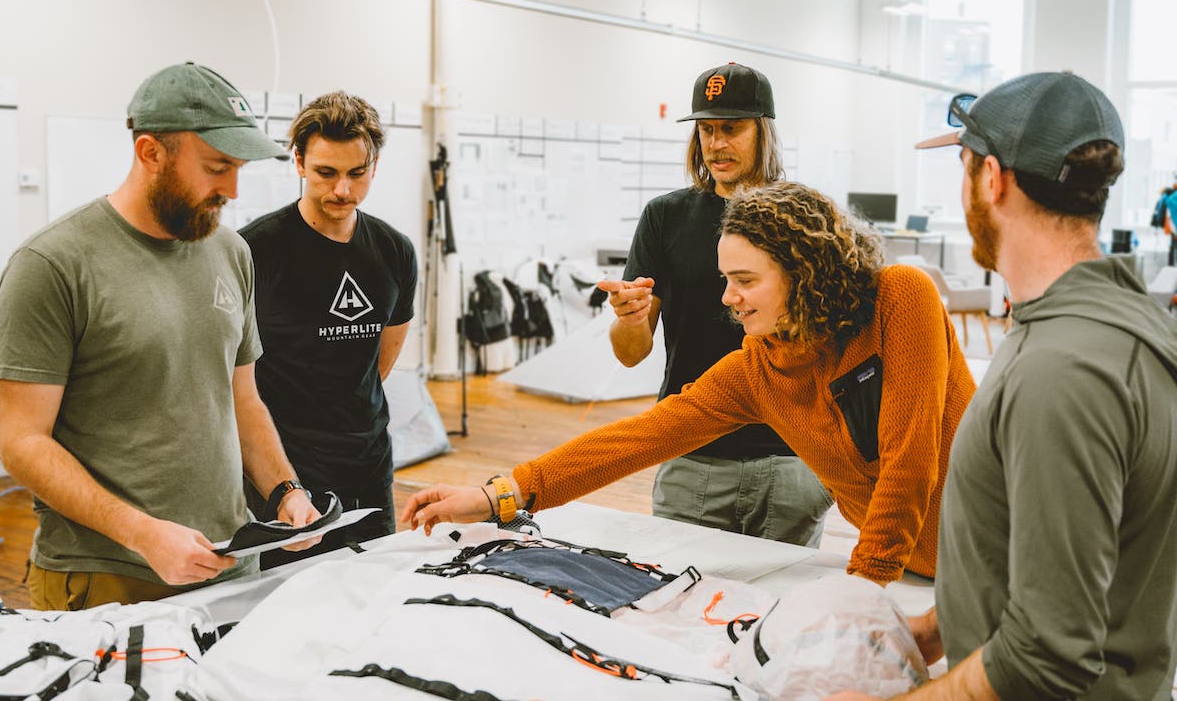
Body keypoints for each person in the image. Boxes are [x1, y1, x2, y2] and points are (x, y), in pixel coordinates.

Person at [403, 181, 976, 586]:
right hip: (909, 571)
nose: (729, 298)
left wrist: (862, 591)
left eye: (744, 280)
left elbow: (909, 463)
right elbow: (637, 439)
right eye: (725, 279)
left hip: (991, 553)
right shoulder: (757, 370)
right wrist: (496, 496)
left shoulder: (900, 299)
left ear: (804, 273)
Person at [831, 73, 1177, 700]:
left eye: (962, 167)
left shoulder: (1064, 371)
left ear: (992, 178)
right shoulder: (1099, 325)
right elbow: (1055, 555)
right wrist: (933, 630)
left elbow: (1047, 656)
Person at [0, 62, 320, 610]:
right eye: (216, 167)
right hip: (107, 578)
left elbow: (242, 400)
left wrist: (285, 491)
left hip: (231, 562)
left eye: (238, 168)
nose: (232, 189)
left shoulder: (231, 253)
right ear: (150, 153)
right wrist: (142, 533)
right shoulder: (52, 264)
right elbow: (22, 443)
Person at [595, 62, 832, 546]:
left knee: (785, 595)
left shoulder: (804, 217)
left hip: (790, 458)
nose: (717, 144)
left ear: (763, 131)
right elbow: (630, 353)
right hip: (692, 454)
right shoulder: (665, 217)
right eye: (707, 130)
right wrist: (630, 318)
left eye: (731, 129)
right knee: (678, 587)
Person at [239, 91, 417, 567]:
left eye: (356, 173)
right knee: (288, 600)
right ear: (298, 162)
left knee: (373, 590)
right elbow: (232, 380)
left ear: (374, 167)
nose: (342, 189)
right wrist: (279, 482)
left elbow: (378, 363)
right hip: (284, 475)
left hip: (368, 468)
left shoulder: (395, 251)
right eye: (325, 173)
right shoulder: (254, 251)